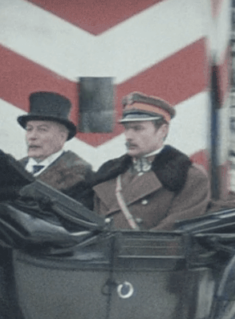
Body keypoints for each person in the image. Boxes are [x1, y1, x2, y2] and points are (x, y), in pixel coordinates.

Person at [73, 91, 209, 231]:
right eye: (127, 128)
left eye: (138, 128)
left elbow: (174, 231)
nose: (128, 136)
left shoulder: (188, 176)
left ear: (162, 131)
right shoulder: (109, 173)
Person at [15, 91, 92, 191]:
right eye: (29, 129)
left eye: (42, 130)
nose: (32, 136)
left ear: (62, 137)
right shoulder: (15, 167)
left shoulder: (79, 173)